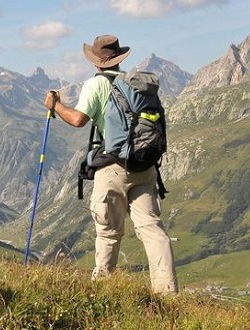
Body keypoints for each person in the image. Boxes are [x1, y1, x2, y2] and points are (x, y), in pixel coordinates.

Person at [43, 35, 178, 294]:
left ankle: (102, 292)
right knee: (153, 230)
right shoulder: (133, 84)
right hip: (145, 167)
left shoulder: (97, 85)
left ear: (96, 62)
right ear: (118, 58)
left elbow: (78, 120)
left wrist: (56, 105)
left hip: (113, 167)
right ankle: (168, 293)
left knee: (108, 233)